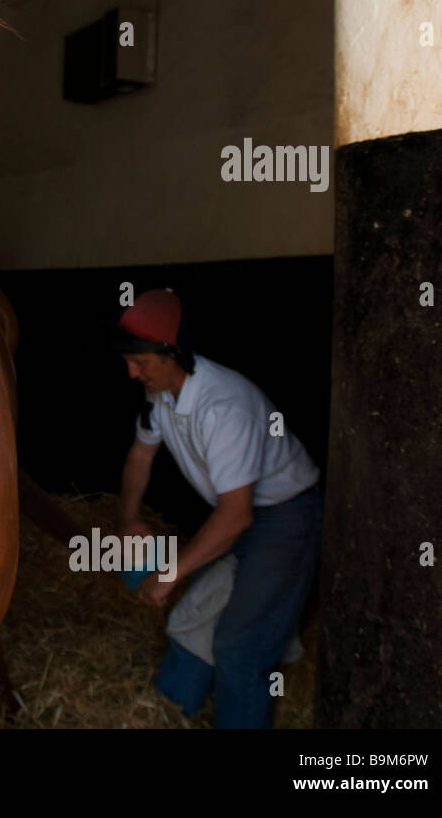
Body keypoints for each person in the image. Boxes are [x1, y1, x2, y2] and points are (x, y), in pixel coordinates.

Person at [113, 288, 322, 728]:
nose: (132, 373)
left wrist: (170, 574)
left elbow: (235, 517)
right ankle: (169, 712)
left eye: (140, 362)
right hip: (240, 514)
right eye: (128, 361)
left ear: (172, 355)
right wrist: (129, 520)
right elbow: (140, 456)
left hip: (284, 518)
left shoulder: (223, 406)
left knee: (240, 648)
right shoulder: (163, 394)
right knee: (197, 614)